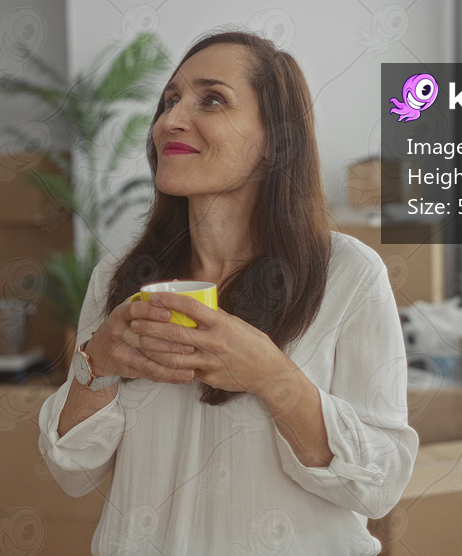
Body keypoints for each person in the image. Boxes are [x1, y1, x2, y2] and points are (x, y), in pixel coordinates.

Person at [38, 29, 418, 555]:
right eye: (169, 100)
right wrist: (96, 362)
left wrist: (271, 376)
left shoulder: (348, 275)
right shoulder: (117, 279)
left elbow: (380, 483)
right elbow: (72, 471)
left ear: (275, 141)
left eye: (211, 100)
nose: (170, 120)